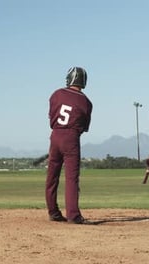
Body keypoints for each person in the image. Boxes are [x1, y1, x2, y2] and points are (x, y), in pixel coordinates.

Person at [46, 66, 93, 224]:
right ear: (83, 81)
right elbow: (84, 127)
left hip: (55, 135)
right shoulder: (86, 102)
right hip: (72, 138)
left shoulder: (56, 94)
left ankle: (53, 211)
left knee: (52, 176)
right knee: (71, 178)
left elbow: (51, 116)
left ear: (69, 78)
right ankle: (73, 215)